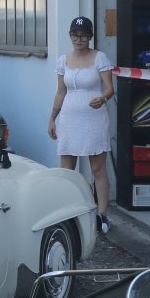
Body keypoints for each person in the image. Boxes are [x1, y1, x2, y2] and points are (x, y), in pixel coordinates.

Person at [50, 17, 115, 235]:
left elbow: (109, 88)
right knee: (66, 169)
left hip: (94, 118)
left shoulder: (100, 58)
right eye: (75, 35)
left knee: (97, 168)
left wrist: (103, 98)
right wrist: (52, 118)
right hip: (69, 119)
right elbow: (61, 92)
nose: (79, 39)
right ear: (70, 36)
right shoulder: (63, 60)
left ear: (90, 37)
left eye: (84, 36)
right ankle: (66, 212)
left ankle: (102, 213)